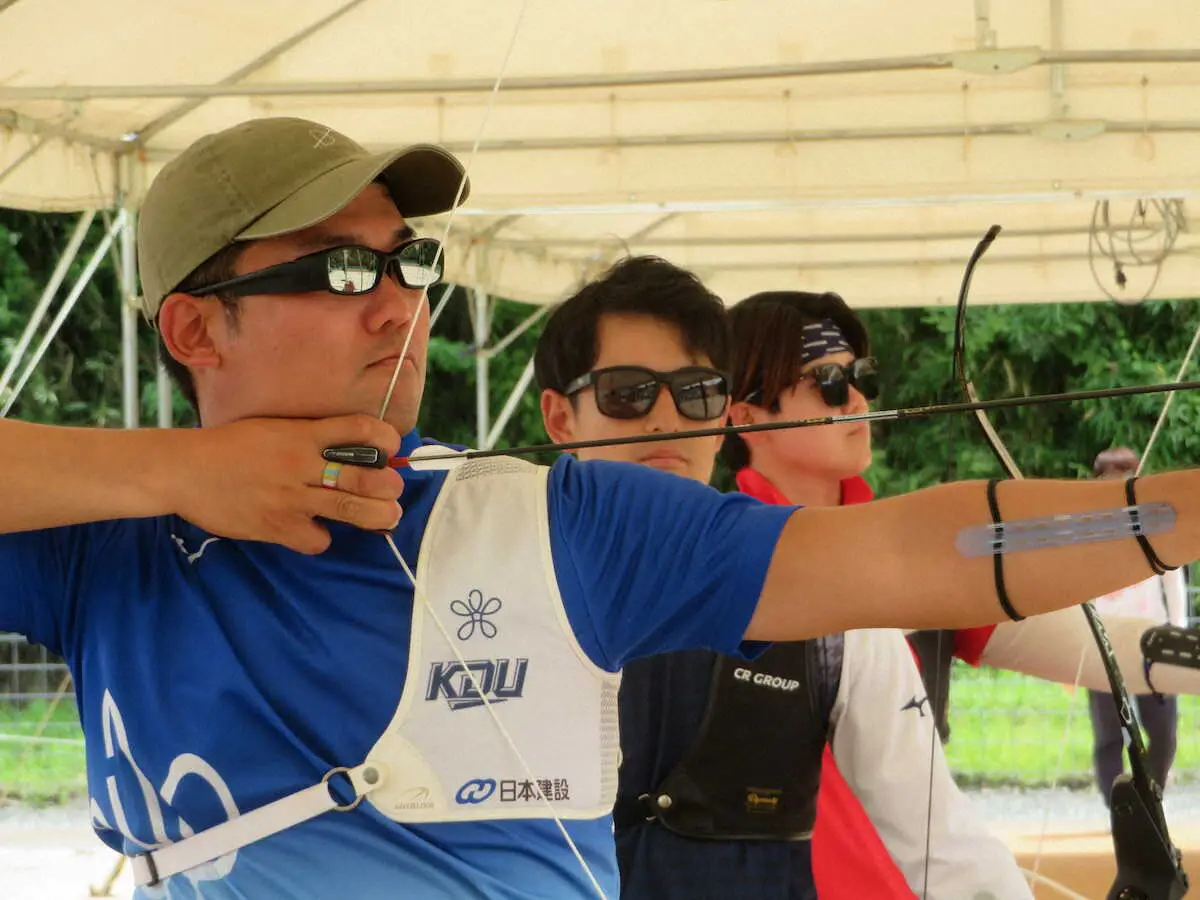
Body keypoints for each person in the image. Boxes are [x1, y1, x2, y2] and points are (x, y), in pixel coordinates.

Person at [2, 117, 1200, 899]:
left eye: (409, 264)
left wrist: (1174, 514)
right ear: (196, 327)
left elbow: (918, 553)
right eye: (342, 270)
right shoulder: (99, 545)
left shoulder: (557, 524)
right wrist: (172, 475)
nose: (399, 308)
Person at [534, 255, 1031, 900]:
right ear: (560, 418)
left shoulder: (835, 602)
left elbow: (944, 849)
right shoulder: (486, 571)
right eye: (627, 392)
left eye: (697, 392)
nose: (666, 419)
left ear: (721, 419)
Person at [724, 289, 1200, 896]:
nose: (861, 401)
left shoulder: (906, 553)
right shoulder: (730, 569)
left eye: (861, 377)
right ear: (746, 419)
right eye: (829, 382)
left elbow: (1087, 644)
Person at [1087, 447, 1187, 805]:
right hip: (1104, 640)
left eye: (1125, 479)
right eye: (1110, 480)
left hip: (1152, 638)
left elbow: (1173, 580)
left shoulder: (1156, 522)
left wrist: (1177, 630)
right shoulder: (1088, 530)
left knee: (1162, 731)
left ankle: (1152, 799)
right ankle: (1118, 807)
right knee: (1108, 733)